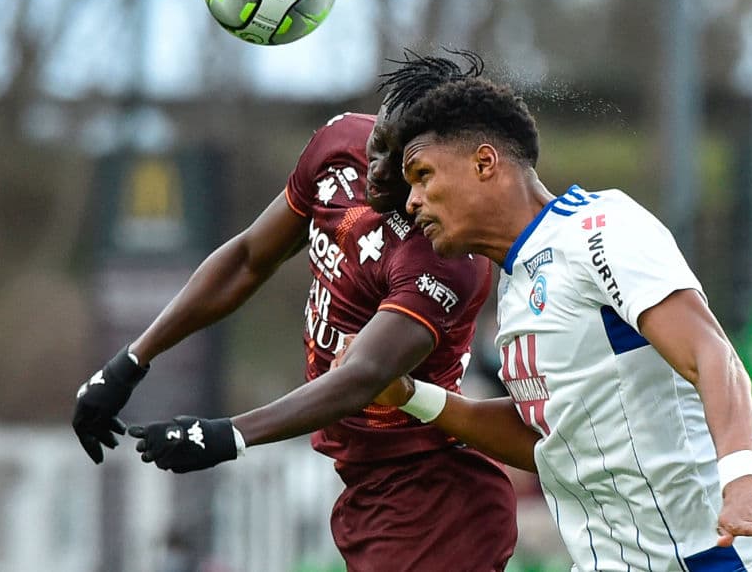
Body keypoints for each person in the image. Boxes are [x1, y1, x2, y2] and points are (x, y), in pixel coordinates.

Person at [368, 59, 752, 571]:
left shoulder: (597, 229)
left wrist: (740, 477)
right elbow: (554, 443)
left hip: (735, 555)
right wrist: (411, 396)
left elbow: (710, 353)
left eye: (423, 176)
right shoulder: (515, 286)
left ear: (484, 163)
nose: (411, 201)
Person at [71, 51, 518, 571]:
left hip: (433, 500)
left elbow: (363, 375)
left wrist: (229, 434)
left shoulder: (447, 258)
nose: (374, 170)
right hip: (370, 492)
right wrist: (131, 361)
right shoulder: (339, 142)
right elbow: (246, 259)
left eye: (399, 167)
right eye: (377, 146)